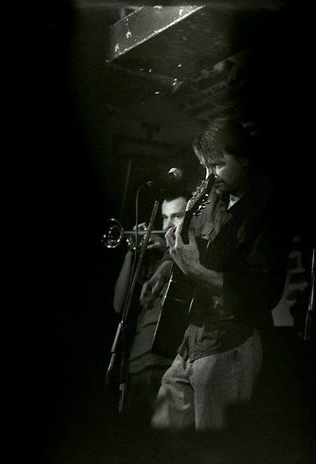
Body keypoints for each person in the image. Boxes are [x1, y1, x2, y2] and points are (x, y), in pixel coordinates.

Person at [149, 117, 293, 431]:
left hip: (229, 344)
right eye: (205, 167)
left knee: (216, 449)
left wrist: (195, 270)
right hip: (191, 342)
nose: (209, 177)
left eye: (216, 165)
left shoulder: (268, 210)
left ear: (245, 158)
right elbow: (192, 243)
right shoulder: (214, 199)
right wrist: (165, 266)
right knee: (160, 439)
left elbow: (264, 293)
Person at [112, 190, 188, 429]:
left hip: (168, 361)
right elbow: (119, 304)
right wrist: (131, 253)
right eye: (164, 218)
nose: (168, 224)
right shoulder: (150, 257)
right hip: (136, 362)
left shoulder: (187, 255)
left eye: (177, 216)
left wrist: (167, 251)